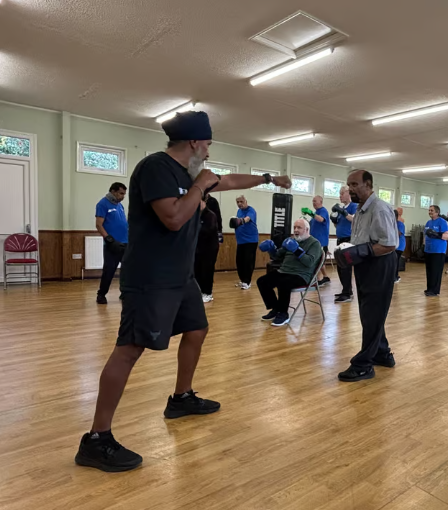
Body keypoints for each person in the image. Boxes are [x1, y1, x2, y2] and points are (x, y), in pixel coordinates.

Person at [75, 110, 292, 472]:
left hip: (180, 276)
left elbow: (229, 180)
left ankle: (181, 397)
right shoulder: (156, 167)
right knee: (130, 349)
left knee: (197, 329)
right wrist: (199, 187)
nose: (209, 151)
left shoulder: (191, 174)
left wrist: (269, 178)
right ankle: (96, 439)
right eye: (207, 144)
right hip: (150, 277)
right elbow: (173, 217)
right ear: (193, 142)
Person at [334, 170, 398, 382]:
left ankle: (363, 365)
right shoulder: (360, 210)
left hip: (380, 264)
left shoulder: (379, 208)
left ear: (368, 185)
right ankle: (382, 354)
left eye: (354, 184)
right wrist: (350, 251)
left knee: (372, 314)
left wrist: (362, 251)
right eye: (349, 185)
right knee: (370, 313)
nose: (350, 189)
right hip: (366, 264)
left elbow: (389, 244)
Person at [257, 219, 323, 327]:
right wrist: (271, 250)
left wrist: (296, 250)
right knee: (262, 281)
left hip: (301, 275)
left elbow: (309, 262)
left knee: (284, 283)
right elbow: (277, 256)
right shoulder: (291, 240)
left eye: (299, 228)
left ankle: (283, 314)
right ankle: (276, 308)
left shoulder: (314, 243)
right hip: (284, 271)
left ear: (307, 229)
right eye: (294, 227)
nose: (295, 230)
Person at [95, 183, 128, 305]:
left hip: (125, 243)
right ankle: (101, 295)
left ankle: (124, 293)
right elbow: (99, 225)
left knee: (126, 271)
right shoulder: (102, 204)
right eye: (121, 193)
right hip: (112, 245)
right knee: (109, 271)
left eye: (124, 194)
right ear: (113, 192)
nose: (123, 196)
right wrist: (109, 240)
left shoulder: (120, 205)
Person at [331, 186, 358, 303]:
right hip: (340, 240)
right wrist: (334, 220)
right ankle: (346, 290)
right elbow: (338, 225)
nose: (340, 196)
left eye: (342, 193)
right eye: (340, 194)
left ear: (349, 194)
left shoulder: (354, 206)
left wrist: (343, 212)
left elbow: (354, 220)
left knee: (346, 267)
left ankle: (347, 293)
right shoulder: (342, 208)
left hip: (348, 240)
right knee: (340, 267)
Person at [194, 199, 220, 303]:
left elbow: (207, 230)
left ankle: (208, 293)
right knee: (197, 270)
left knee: (207, 270)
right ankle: (200, 291)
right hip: (199, 248)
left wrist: (194, 230)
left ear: (204, 202)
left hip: (210, 248)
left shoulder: (210, 215)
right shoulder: (195, 215)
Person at [232, 196, 258, 290]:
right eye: (238, 202)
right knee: (239, 262)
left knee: (248, 262)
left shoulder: (251, 210)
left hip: (251, 241)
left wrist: (241, 221)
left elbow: (247, 219)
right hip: (241, 241)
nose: (239, 203)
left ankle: (247, 282)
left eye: (241, 201)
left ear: (246, 201)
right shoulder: (239, 211)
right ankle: (243, 280)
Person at [424, 205, 448, 296]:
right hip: (429, 250)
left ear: (437, 212)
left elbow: (447, 236)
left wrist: (437, 234)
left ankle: (434, 290)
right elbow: (426, 235)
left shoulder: (442, 222)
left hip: (438, 251)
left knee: (436, 271)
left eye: (432, 210)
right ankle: (429, 288)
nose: (430, 212)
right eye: (429, 210)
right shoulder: (428, 222)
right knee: (429, 270)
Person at [304, 196, 331, 286]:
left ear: (321, 201)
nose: (313, 203)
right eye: (313, 201)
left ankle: (317, 279)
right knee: (319, 261)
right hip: (314, 241)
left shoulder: (323, 211)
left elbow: (321, 219)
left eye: (315, 201)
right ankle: (325, 277)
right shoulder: (316, 213)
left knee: (318, 261)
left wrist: (310, 213)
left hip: (321, 241)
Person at [394, 209, 406, 283]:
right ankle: (394, 276)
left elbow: (398, 234)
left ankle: (395, 277)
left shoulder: (400, 224)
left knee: (396, 261)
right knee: (392, 261)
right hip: (393, 246)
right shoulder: (391, 223)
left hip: (399, 246)